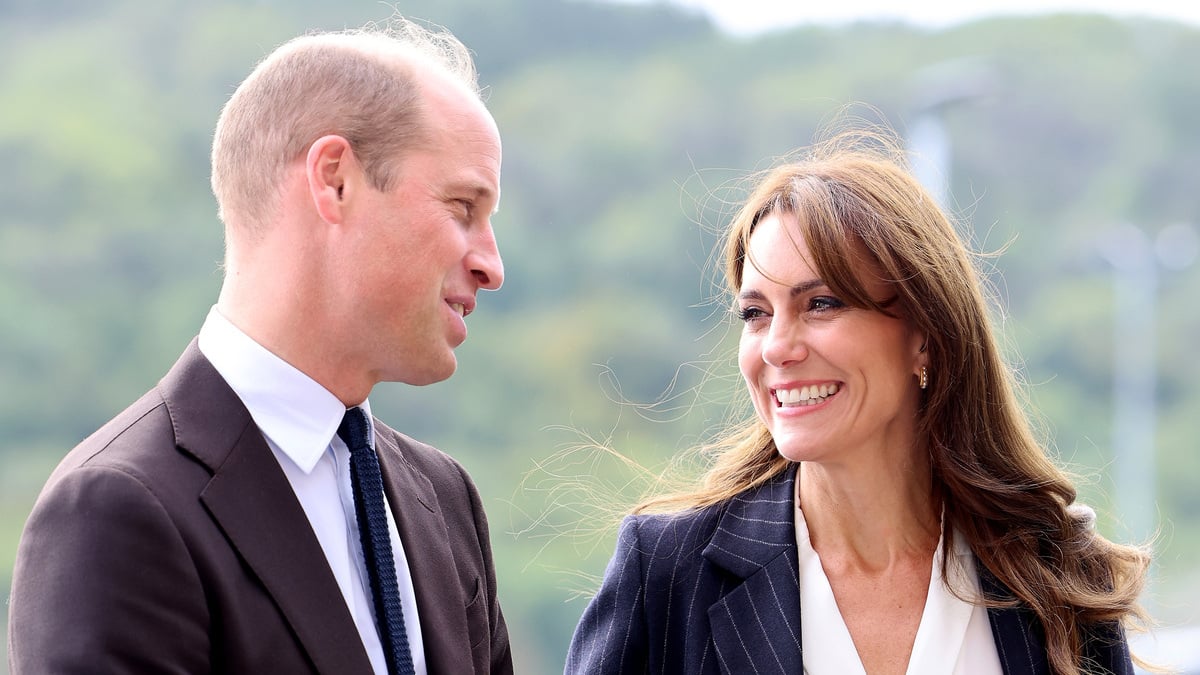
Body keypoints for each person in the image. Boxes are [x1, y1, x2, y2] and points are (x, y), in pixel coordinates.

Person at [9, 16, 512, 675]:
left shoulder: (445, 501)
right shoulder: (115, 508)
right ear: (334, 179)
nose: (492, 264)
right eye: (461, 206)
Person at [565, 128, 1150, 675]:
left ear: (924, 333)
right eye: (756, 314)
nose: (778, 347)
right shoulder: (669, 572)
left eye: (820, 304)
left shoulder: (1057, 573)